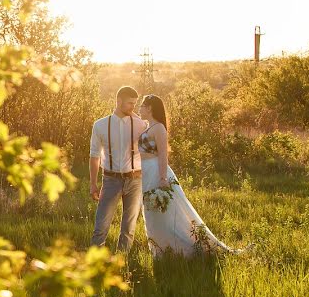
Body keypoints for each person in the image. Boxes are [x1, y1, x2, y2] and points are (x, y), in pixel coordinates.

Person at [137, 94, 238, 256]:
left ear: (149, 108)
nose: (139, 109)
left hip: (157, 171)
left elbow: (163, 155)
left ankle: (180, 250)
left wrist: (162, 178)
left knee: (165, 212)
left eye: (142, 106)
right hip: (147, 172)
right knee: (151, 213)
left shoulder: (159, 128)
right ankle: (160, 250)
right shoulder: (148, 126)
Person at [89, 86, 148, 253]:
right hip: (110, 180)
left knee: (128, 229)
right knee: (101, 226)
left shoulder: (141, 125)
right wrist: (93, 184)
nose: (133, 107)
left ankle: (122, 265)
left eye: (135, 104)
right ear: (119, 101)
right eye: (130, 103)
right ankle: (94, 265)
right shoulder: (100, 125)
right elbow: (94, 156)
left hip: (135, 180)